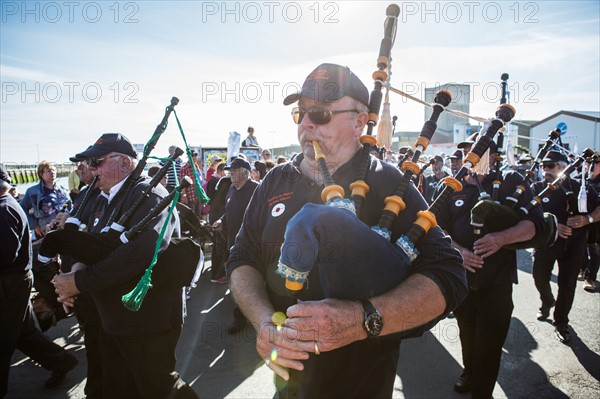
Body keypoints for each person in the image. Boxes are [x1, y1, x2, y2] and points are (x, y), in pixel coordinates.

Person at [226, 63, 467, 398]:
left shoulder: (390, 183)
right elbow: (243, 258)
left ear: (359, 121)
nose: (306, 124)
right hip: (289, 383)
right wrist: (264, 322)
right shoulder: (274, 181)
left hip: (361, 383)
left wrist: (361, 319)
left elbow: (449, 275)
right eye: (301, 113)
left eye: (321, 114)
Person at [52, 133, 198, 399]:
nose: (91, 170)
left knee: (159, 389)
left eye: (97, 162)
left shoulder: (149, 194)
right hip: (111, 317)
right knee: (118, 388)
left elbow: (137, 254)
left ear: (125, 164)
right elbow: (98, 245)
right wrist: (76, 269)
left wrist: (78, 283)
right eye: (90, 164)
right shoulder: (102, 197)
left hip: (147, 319)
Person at [436, 139, 545, 398]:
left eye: (476, 151)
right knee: (466, 331)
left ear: (494, 156)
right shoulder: (450, 185)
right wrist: (459, 252)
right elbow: (435, 227)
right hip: (462, 279)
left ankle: (482, 390)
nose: (468, 156)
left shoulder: (510, 181)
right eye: (465, 151)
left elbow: (536, 223)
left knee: (490, 341)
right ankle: (469, 372)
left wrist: (500, 239)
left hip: (496, 282)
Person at [0, 164, 78, 396]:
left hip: (9, 281)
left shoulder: (4, 209)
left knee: (4, 337)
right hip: (15, 279)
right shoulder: (10, 205)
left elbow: (6, 254)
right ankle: (61, 362)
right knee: (24, 335)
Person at [531, 150, 600, 343]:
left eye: (550, 166)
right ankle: (546, 301)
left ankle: (561, 322)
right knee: (539, 277)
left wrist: (587, 219)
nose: (545, 169)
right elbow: (528, 214)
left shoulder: (581, 187)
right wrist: (553, 226)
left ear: (563, 167)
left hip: (574, 245)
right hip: (546, 244)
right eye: (543, 166)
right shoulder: (537, 188)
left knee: (567, 285)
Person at [213, 158, 259, 333]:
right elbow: (228, 210)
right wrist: (220, 220)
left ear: (246, 172)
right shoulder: (231, 189)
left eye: (234, 170)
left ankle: (242, 318)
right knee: (234, 278)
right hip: (231, 242)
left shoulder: (257, 190)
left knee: (246, 281)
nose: (230, 173)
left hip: (250, 246)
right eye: (229, 170)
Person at [19, 161, 70, 240]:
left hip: (62, 228)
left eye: (53, 170)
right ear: (41, 174)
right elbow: (22, 208)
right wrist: (34, 225)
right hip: (44, 231)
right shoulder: (33, 191)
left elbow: (71, 207)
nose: (52, 172)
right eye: (48, 171)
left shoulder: (63, 190)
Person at [583, 155, 600, 292]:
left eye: (596, 163)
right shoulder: (582, 180)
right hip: (582, 222)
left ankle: (590, 278)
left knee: (595, 250)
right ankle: (583, 269)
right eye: (589, 162)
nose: (592, 165)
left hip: (597, 222)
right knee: (580, 247)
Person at [180, 151, 203, 216]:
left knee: (198, 216)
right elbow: (181, 184)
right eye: (192, 155)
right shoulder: (184, 168)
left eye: (196, 155)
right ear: (188, 156)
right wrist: (184, 196)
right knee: (191, 216)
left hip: (198, 196)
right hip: (190, 196)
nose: (194, 157)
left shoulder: (196, 166)